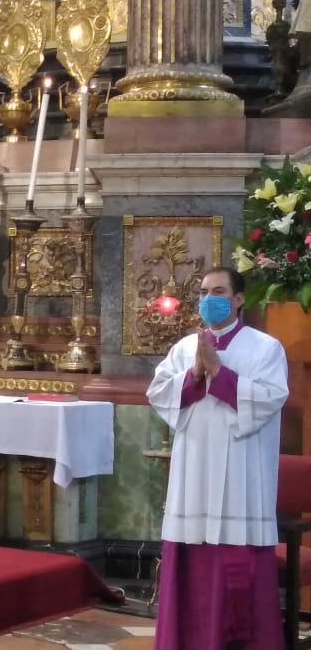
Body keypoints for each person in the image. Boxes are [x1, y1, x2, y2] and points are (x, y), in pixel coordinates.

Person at [146, 266, 288, 649]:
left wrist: (220, 374)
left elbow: (271, 398)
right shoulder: (183, 348)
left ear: (239, 299)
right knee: (191, 549)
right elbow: (158, 392)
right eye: (204, 292)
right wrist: (194, 375)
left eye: (219, 291)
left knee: (237, 561)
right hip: (194, 467)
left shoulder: (265, 348)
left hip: (242, 471)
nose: (209, 299)